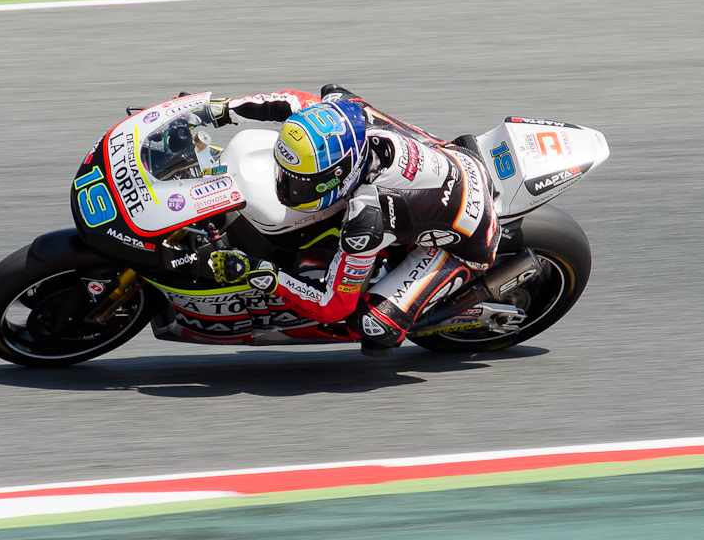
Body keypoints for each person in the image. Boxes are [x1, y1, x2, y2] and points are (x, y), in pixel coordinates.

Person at [208, 85, 500, 357]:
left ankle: (448, 309)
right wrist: (222, 109)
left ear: (340, 174)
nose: (286, 189)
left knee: (370, 324)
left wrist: (265, 274)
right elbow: (293, 102)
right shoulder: (345, 113)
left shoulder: (367, 216)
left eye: (301, 185)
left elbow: (332, 305)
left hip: (467, 241)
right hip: (455, 161)